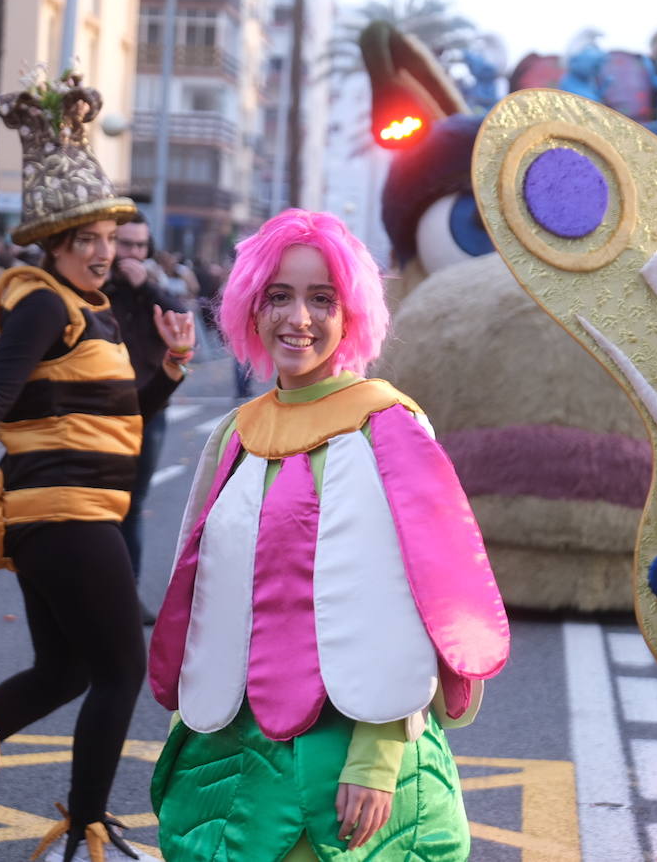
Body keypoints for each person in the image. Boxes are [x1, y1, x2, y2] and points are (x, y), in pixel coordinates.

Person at [0, 73, 195, 862]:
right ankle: (86, 832)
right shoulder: (39, 300)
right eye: (85, 240)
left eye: (110, 237)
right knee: (122, 665)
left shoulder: (86, 310)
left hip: (65, 516)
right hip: (60, 517)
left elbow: (116, 415)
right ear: (55, 245)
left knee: (62, 671)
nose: (103, 251)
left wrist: (168, 369)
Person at [147, 209, 510, 861]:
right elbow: (205, 599)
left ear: (352, 314)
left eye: (322, 299)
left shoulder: (388, 427)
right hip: (235, 752)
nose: (299, 319)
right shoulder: (236, 432)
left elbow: (418, 603)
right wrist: (190, 726)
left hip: (353, 755)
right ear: (251, 309)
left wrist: (376, 761)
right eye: (279, 297)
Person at [104, 209, 189, 620]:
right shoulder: (97, 287)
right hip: (100, 413)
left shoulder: (155, 291)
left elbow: (183, 319)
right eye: (126, 244)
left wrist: (147, 288)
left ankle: (126, 596)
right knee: (98, 506)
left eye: (140, 246)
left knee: (133, 506)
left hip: (149, 410)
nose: (132, 254)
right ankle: (94, 595)